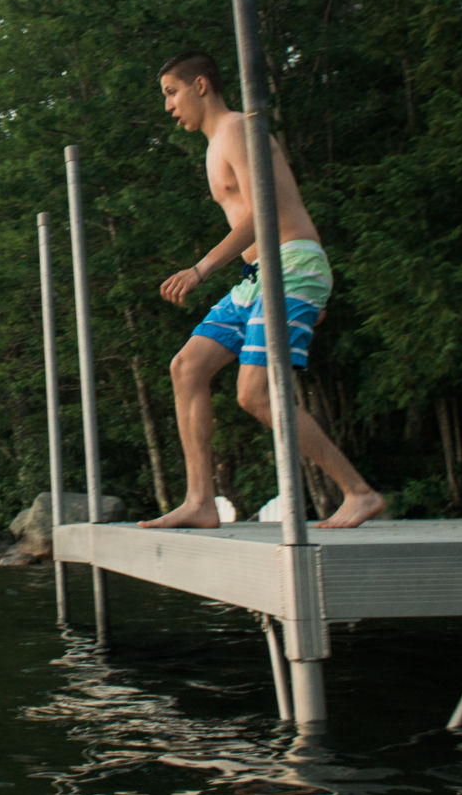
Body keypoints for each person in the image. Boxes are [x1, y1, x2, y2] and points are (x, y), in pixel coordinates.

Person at [140, 52, 385, 530]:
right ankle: (200, 501)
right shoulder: (216, 144)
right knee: (187, 367)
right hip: (261, 278)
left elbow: (264, 213)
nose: (168, 106)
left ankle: (359, 493)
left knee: (253, 395)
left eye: (172, 92)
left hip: (292, 265)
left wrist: (200, 268)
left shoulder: (237, 129)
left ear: (202, 85)